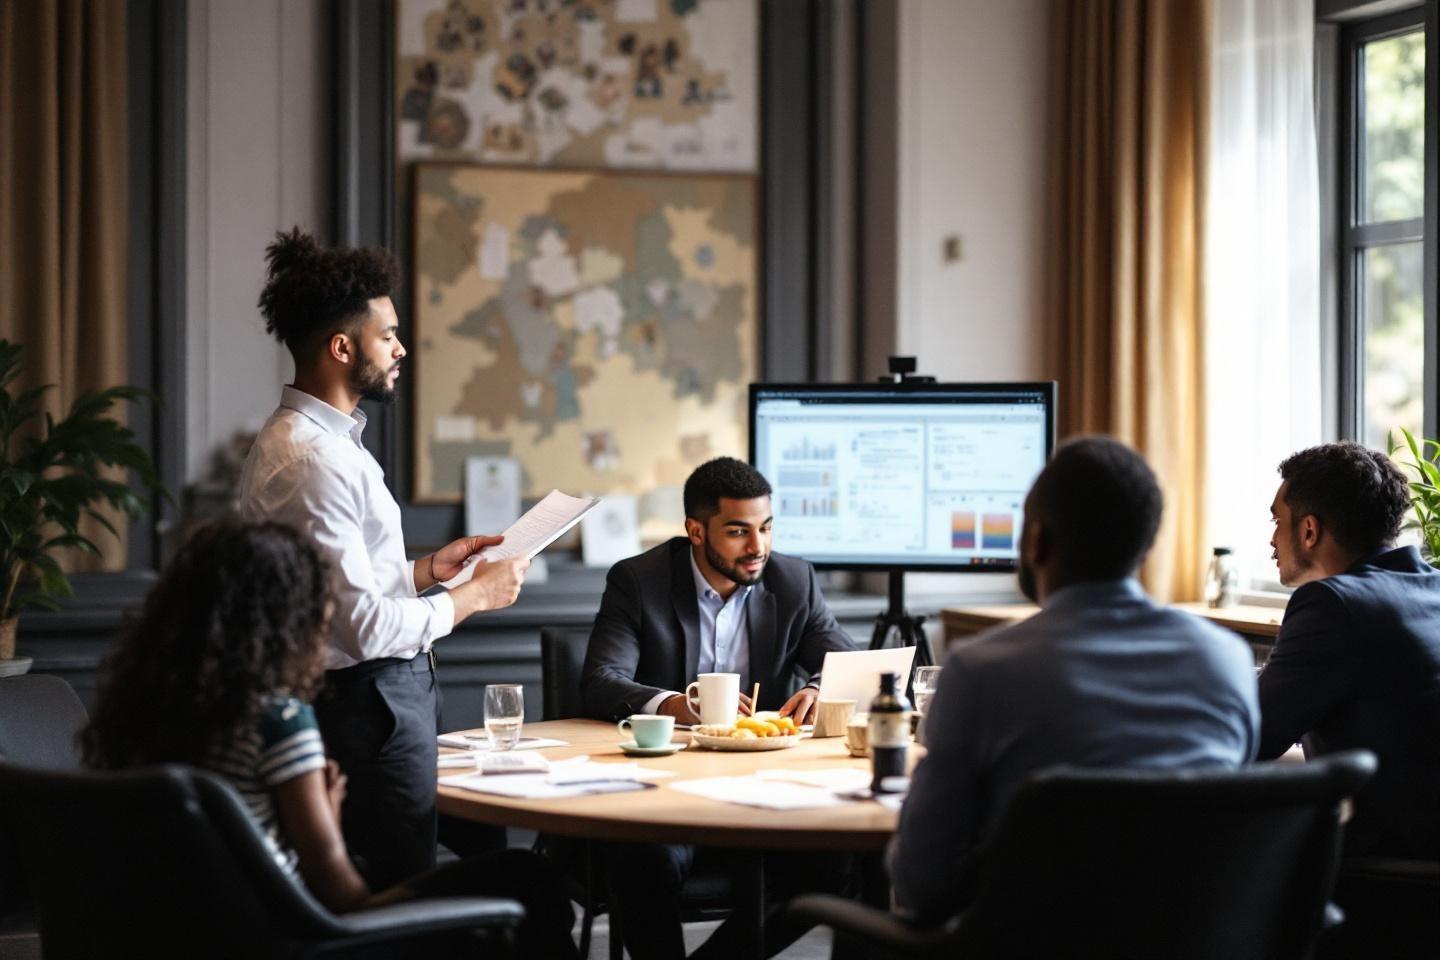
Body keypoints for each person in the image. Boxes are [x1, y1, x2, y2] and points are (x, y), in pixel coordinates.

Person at [81, 519, 578, 959]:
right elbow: (343, 897)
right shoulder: (279, 721)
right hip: (293, 936)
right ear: (282, 622)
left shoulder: (141, 714)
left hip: (195, 932)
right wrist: (327, 808)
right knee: (527, 877)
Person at [238, 228, 529, 888]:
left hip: (384, 700)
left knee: (483, 860)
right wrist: (475, 597)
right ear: (341, 348)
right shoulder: (312, 460)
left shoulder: (328, 445)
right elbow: (361, 627)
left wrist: (427, 573)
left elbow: (339, 589)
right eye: (387, 334)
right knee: (400, 892)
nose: (401, 349)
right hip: (365, 706)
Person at [890, 436, 1259, 923]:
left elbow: (922, 885)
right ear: (1146, 547)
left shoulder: (980, 670)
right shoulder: (1228, 661)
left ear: (1037, 541)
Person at [580, 456, 857, 960]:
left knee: (843, 866)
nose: (759, 548)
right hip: (665, 792)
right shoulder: (638, 581)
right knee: (645, 860)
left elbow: (847, 660)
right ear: (696, 531)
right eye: (738, 532)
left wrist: (819, 686)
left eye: (766, 528)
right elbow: (601, 682)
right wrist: (682, 706)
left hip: (766, 792)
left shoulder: (794, 581)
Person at [1259, 442, 1440, 858]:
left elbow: (1253, 737)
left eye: (1276, 521)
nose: (1272, 539)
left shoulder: (1333, 603)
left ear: (1309, 530)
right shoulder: (1430, 585)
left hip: (1390, 873)